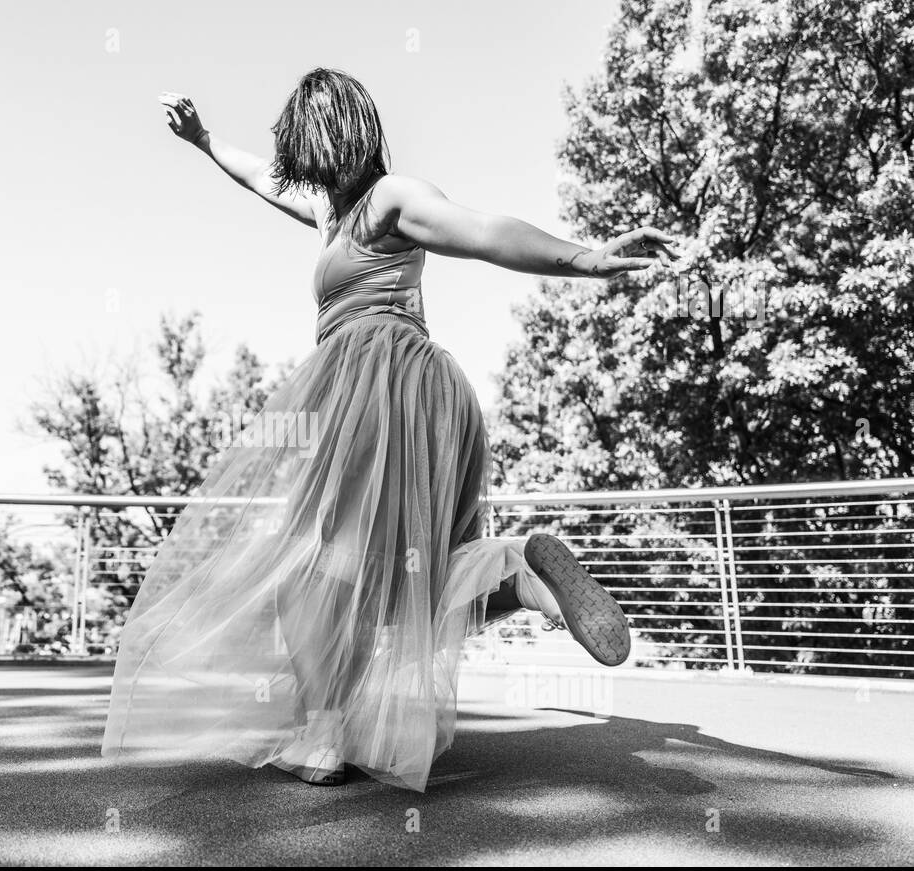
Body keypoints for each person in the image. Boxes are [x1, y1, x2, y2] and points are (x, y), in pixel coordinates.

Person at [101, 68, 677, 791]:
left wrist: (587, 259)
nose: (300, 169)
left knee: (313, 571)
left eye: (307, 148)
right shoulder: (332, 213)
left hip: (375, 384)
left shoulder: (392, 197)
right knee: (397, 577)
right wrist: (206, 141)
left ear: (334, 135)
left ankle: (321, 736)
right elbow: (261, 180)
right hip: (416, 393)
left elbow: (486, 233)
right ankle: (518, 573)